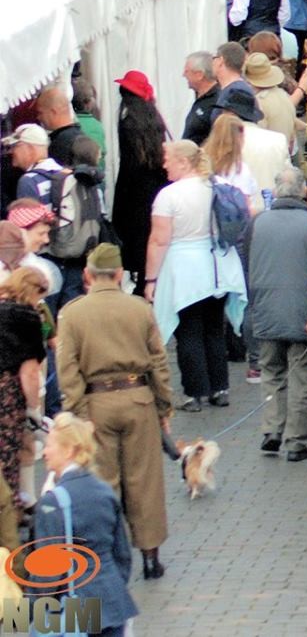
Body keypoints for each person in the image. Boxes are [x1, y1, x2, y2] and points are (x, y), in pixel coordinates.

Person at [56, 243, 172, 581]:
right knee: (145, 482)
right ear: (120, 274)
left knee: (103, 481)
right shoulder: (139, 309)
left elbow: (68, 369)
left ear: (88, 275)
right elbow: (158, 362)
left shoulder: (72, 313)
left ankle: (103, 558)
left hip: (95, 405)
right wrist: (164, 405)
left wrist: (77, 413)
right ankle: (151, 557)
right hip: (138, 399)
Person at [143, 140, 247, 411]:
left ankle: (195, 392)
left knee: (188, 329)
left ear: (183, 161)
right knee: (214, 327)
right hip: (219, 265)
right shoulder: (217, 185)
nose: (163, 164)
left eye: (167, 158)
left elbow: (159, 240)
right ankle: (220, 388)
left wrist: (151, 279)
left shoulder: (169, 195)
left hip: (184, 268)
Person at [31, 413, 142, 631]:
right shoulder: (104, 491)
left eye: (50, 445)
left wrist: (26, 612)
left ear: (70, 449)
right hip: (114, 603)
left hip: (75, 610)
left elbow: (48, 572)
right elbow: (122, 555)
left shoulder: (51, 503)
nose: (44, 452)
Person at [245, 172, 307, 461]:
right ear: (304, 190)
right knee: (303, 375)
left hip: (265, 309)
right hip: (305, 311)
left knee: (271, 370)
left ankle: (272, 430)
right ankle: (296, 441)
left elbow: (247, 261)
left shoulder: (257, 223)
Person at [0, 267, 46, 548]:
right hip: (6, 395)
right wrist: (32, 408)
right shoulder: (25, 318)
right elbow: (29, 371)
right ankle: (9, 537)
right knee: (8, 461)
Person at [110, 74, 169, 277]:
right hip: (156, 187)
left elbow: (128, 166)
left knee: (138, 240)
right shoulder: (155, 118)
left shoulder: (127, 123)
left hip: (134, 193)